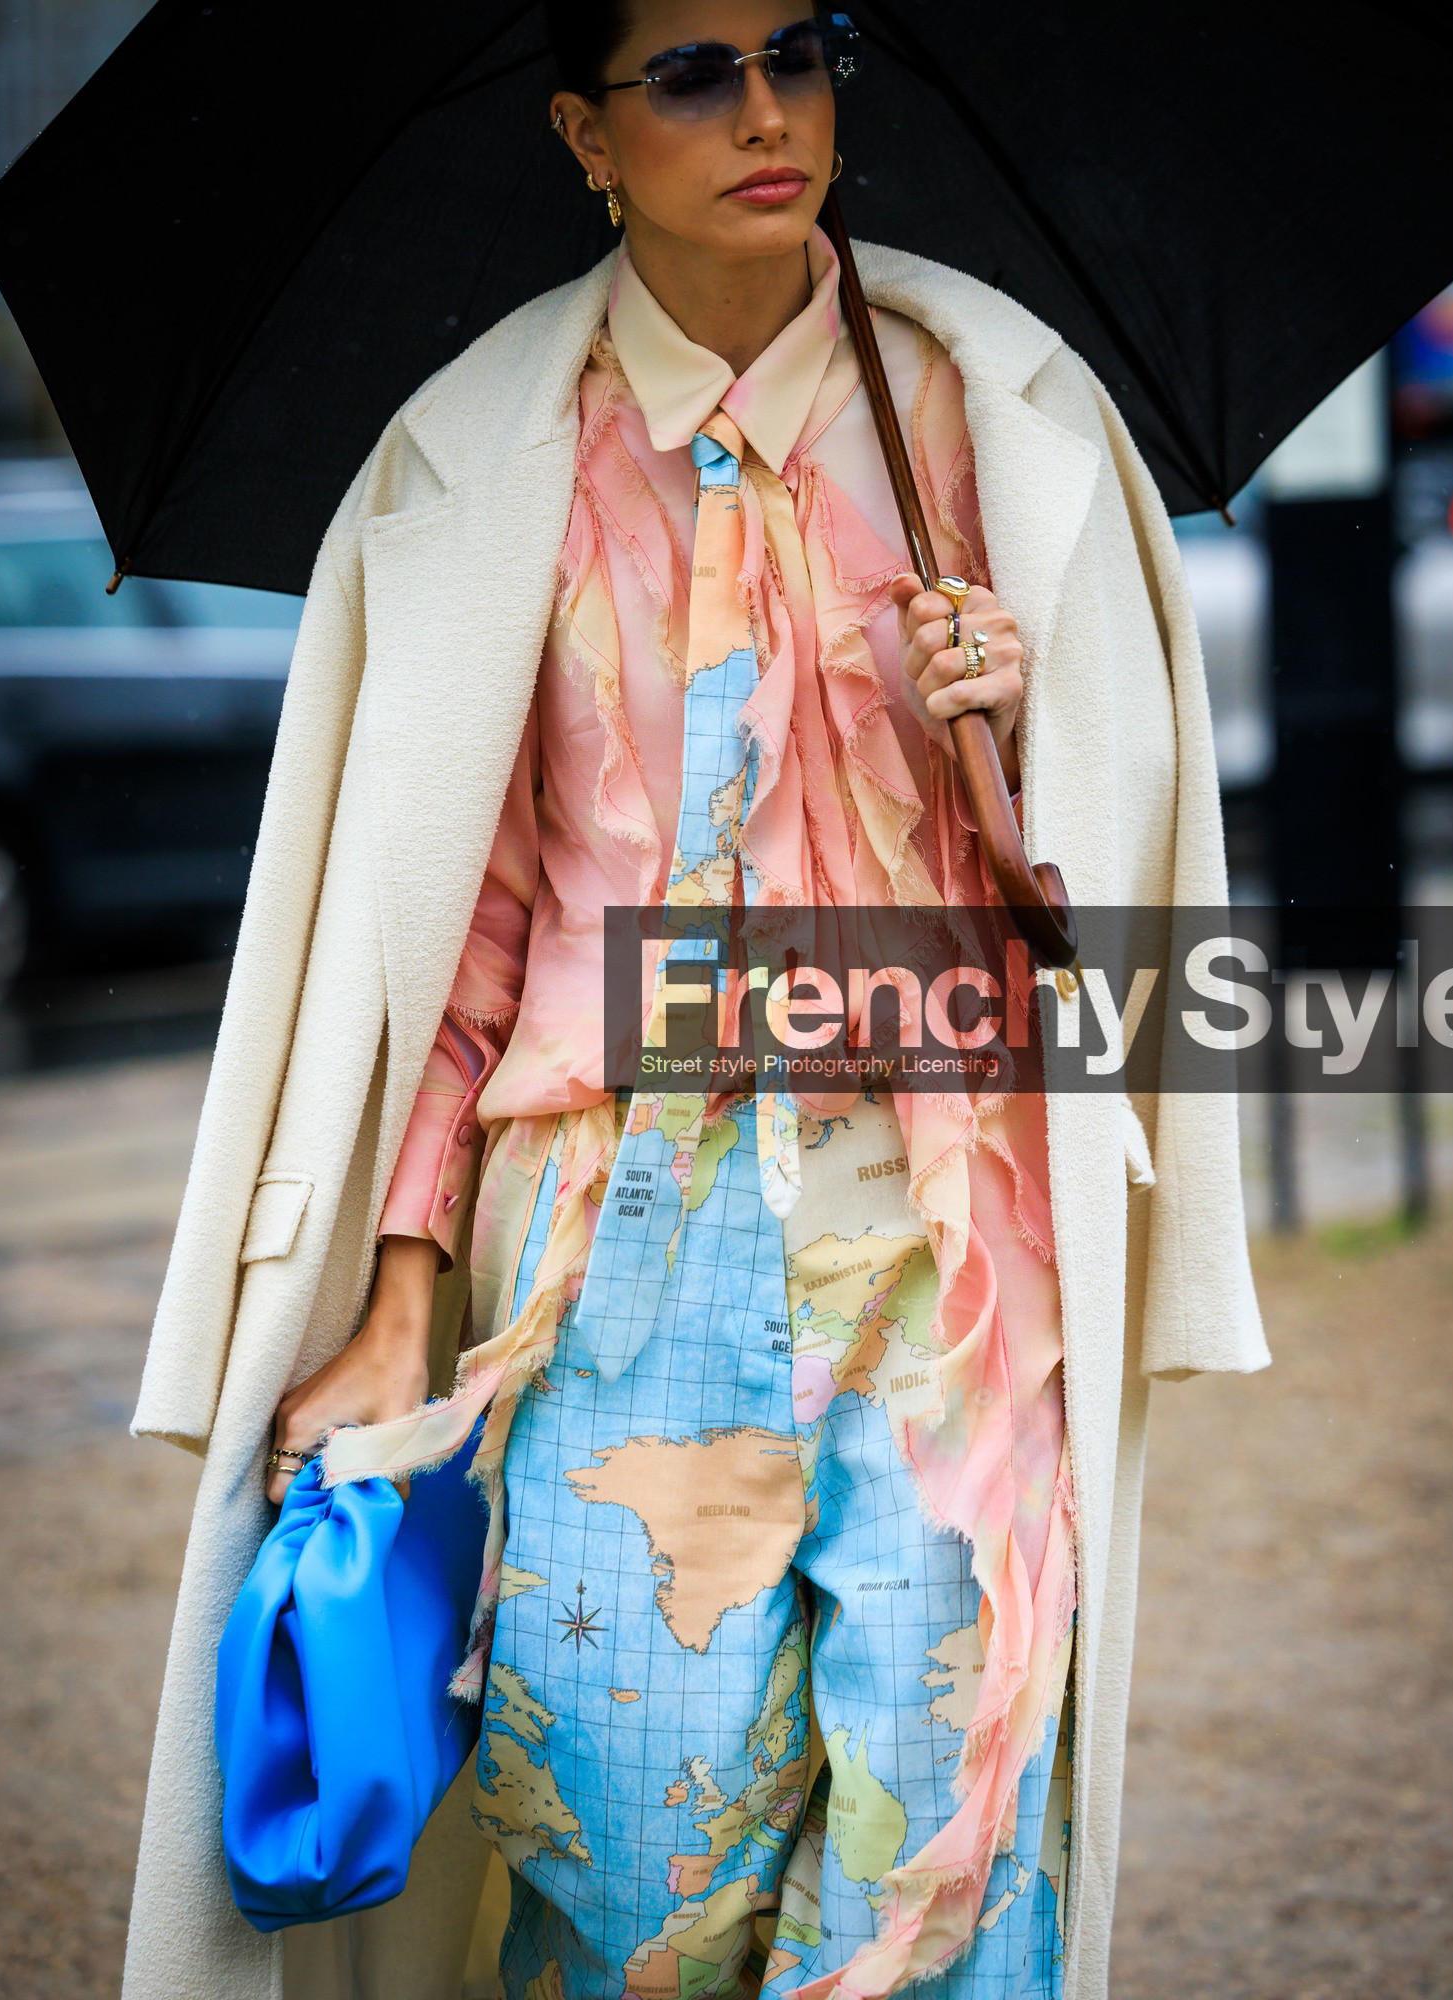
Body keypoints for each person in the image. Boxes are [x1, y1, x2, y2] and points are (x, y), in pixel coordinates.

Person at [123, 7, 1266, 2000]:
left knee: (949, 1838)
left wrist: (1012, 736)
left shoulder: (994, 415)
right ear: (581, 132)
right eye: (690, 74)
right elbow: (451, 929)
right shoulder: (482, 452)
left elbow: (1113, 917)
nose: (763, 112)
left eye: (798, 54)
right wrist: (403, 1286)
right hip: (609, 1242)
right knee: (632, 1873)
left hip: (943, 1238)